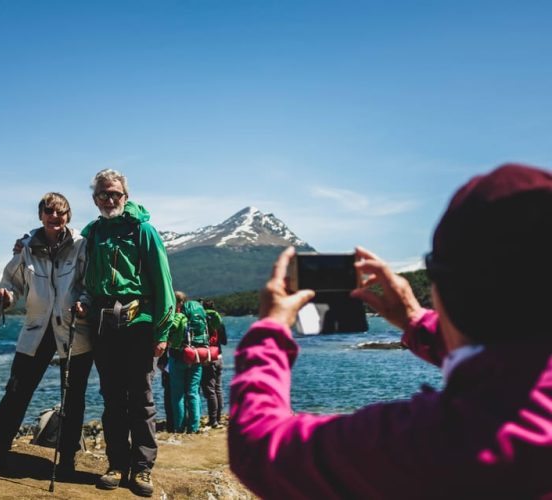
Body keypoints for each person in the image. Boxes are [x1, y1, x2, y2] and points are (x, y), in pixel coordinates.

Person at [228, 164, 552, 499]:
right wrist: (415, 319)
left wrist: (269, 331)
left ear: (443, 289)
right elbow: (516, 361)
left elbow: (260, 445)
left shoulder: (438, 441)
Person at [0, 193, 93, 478]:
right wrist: (5, 296)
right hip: (36, 329)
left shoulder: (81, 245)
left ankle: (67, 459)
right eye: (49, 212)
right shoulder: (27, 248)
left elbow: (88, 284)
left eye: (61, 213)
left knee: (73, 397)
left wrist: (85, 303)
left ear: (68, 216)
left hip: (73, 329)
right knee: (18, 389)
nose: (55, 218)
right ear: (40, 215)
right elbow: (12, 284)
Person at [82, 169, 175, 497]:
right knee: (111, 398)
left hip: (139, 324)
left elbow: (163, 283)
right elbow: (86, 280)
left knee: (141, 398)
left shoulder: (143, 231)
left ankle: (142, 467)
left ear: (126, 196)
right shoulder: (93, 233)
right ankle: (116, 464)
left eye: (116, 194)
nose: (110, 199)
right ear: (95, 199)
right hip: (104, 324)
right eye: (104, 194)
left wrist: (162, 332)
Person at [167, 292, 205, 434]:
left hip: (178, 357)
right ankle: (194, 427)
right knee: (193, 393)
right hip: (196, 356)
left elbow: (171, 329)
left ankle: (179, 427)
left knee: (178, 394)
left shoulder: (178, 315)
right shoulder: (196, 312)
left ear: (177, 302)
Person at [200, 299, 227, 429]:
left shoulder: (202, 320)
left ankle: (213, 420)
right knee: (218, 388)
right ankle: (218, 418)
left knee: (209, 390)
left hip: (208, 357)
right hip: (219, 356)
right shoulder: (219, 322)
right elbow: (225, 341)